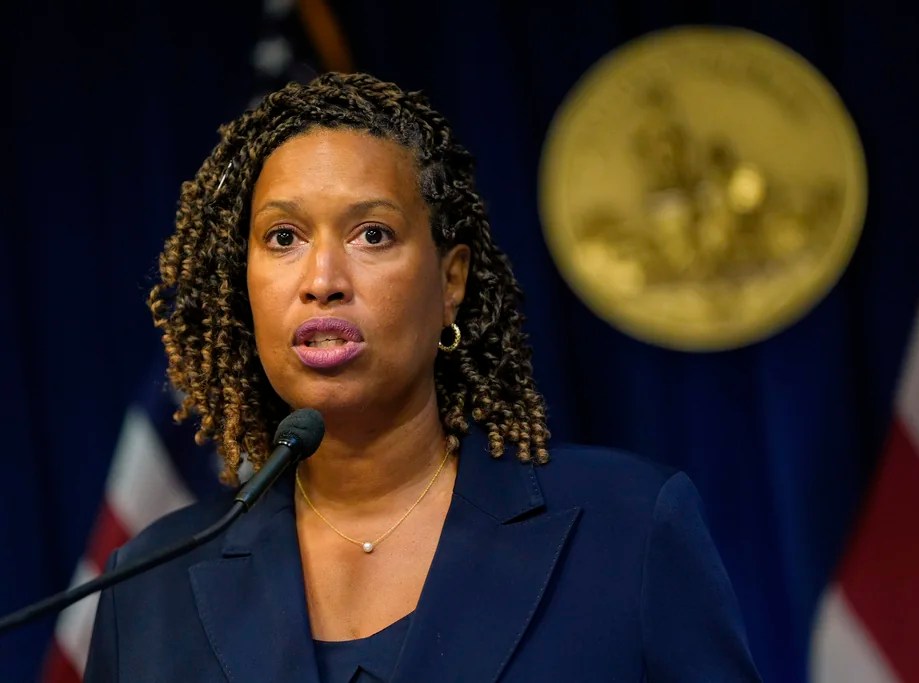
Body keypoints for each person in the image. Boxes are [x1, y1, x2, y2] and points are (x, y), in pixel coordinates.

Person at [84, 72, 761, 683]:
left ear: (451, 282)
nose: (322, 281)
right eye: (283, 237)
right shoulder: (149, 585)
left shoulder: (629, 527)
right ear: (246, 288)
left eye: (371, 234)